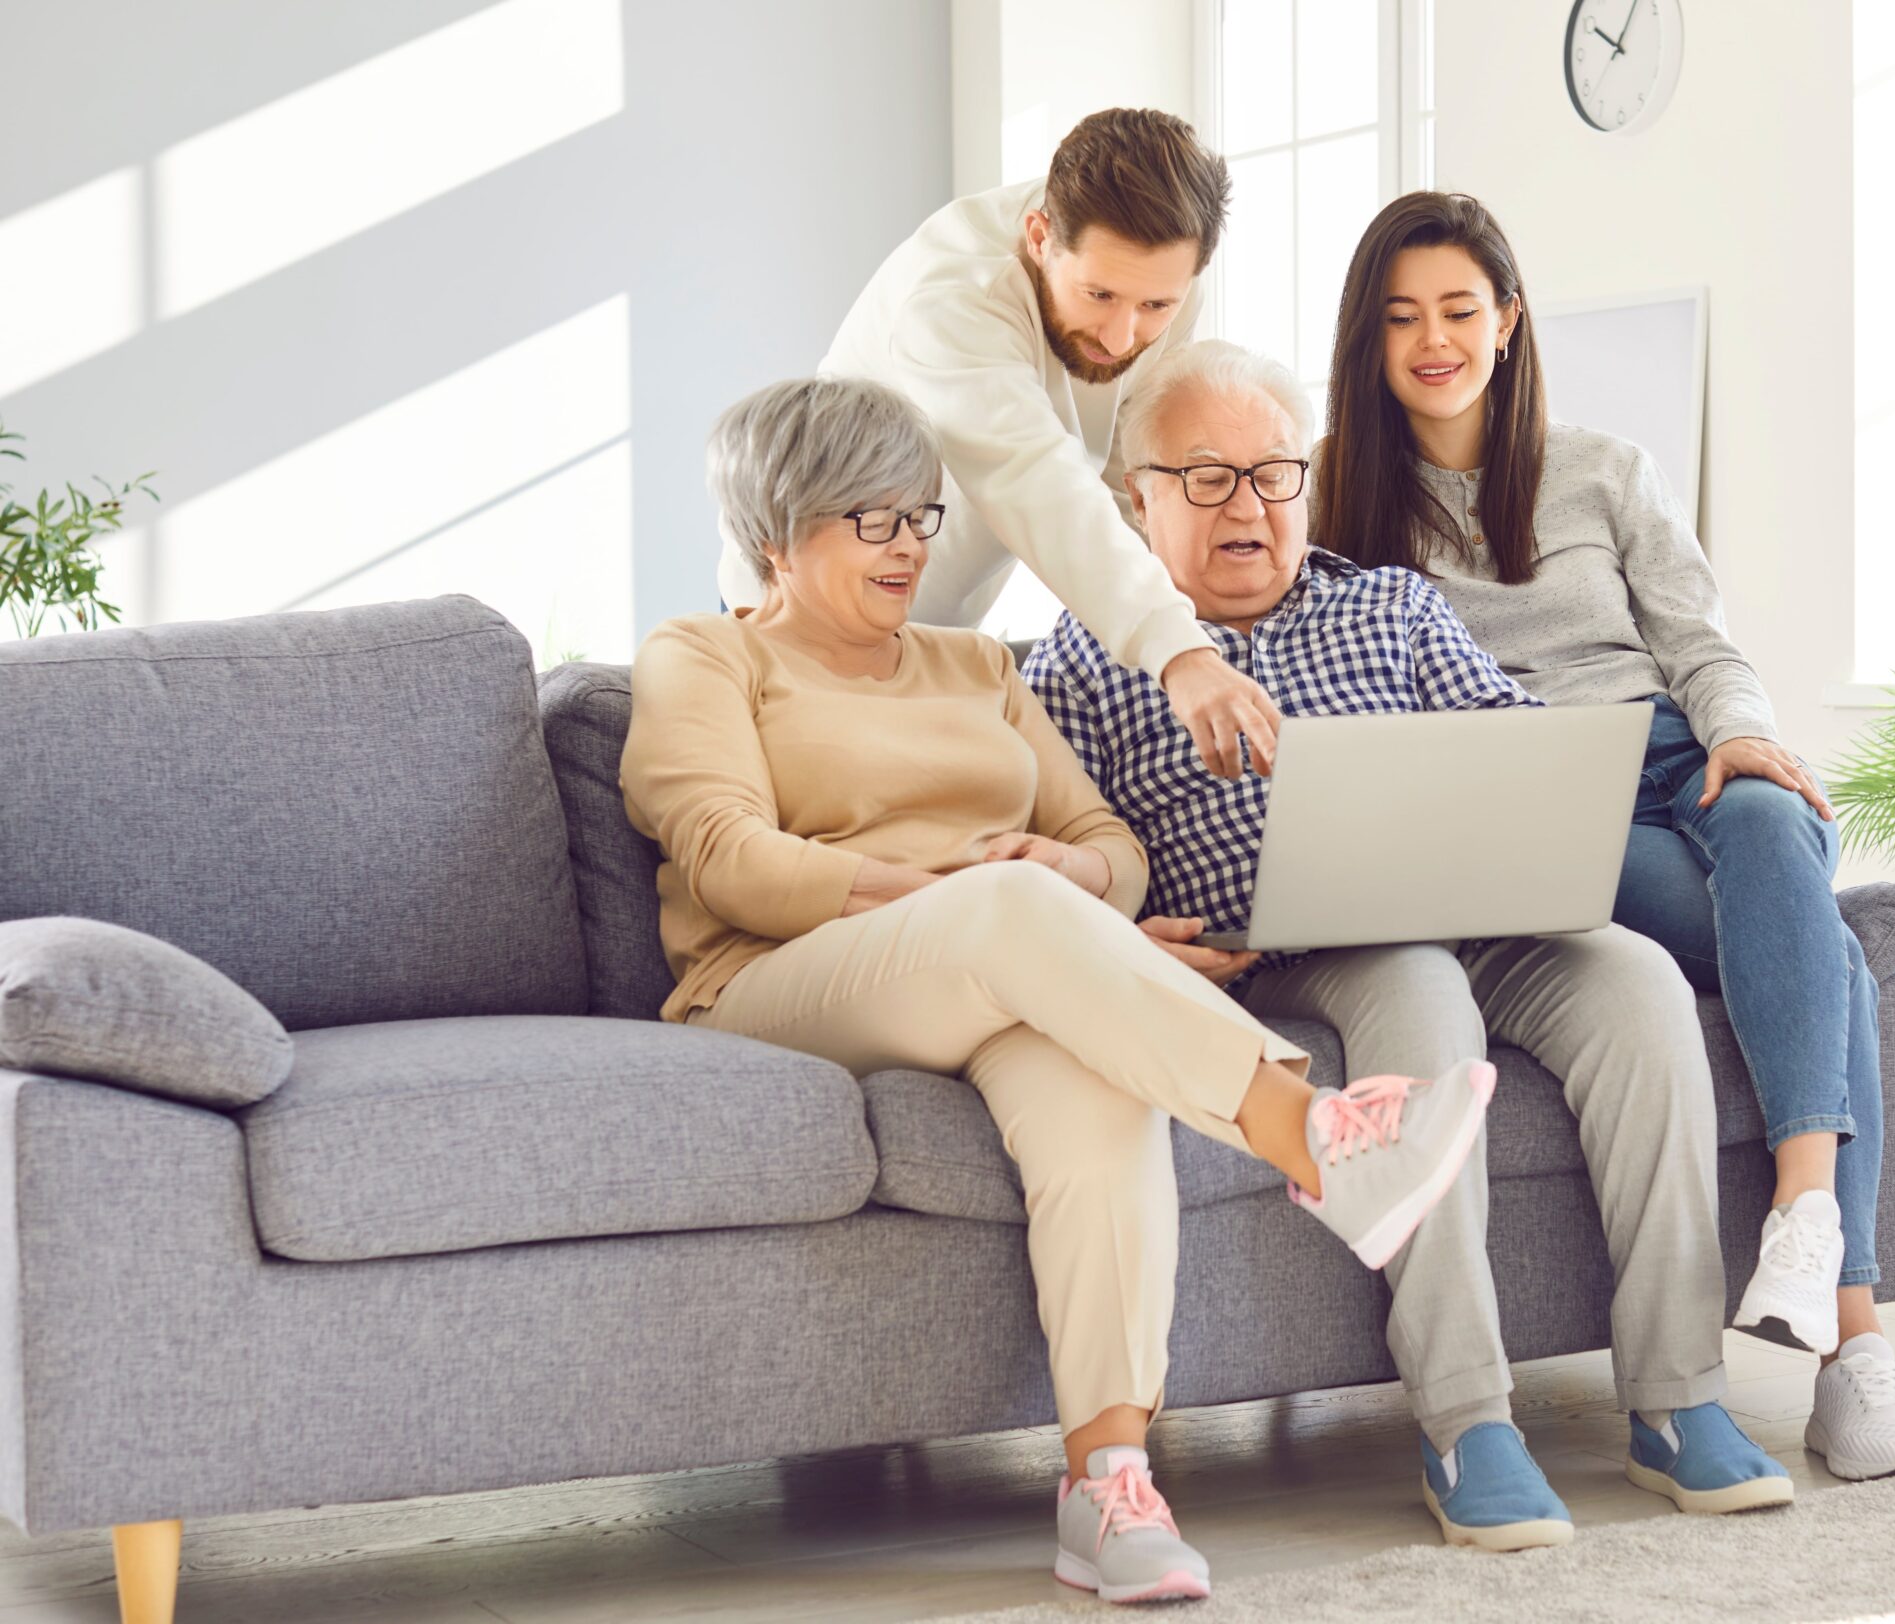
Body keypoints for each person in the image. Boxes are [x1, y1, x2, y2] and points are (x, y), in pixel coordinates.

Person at [627, 377, 1493, 1604]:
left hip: (994, 965)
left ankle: (1109, 1485)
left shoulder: (975, 663)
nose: (910, 545)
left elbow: (1109, 848)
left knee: (1103, 1098)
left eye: (919, 514)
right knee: (1012, 909)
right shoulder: (702, 654)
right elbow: (728, 857)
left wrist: (1071, 866)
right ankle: (1317, 1136)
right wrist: (960, 887)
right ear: (778, 528)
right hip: (782, 979)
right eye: (867, 519)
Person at [1026, 340, 1797, 1551]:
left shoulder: (1389, 603)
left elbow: (1523, 747)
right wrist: (1126, 938)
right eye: (1209, 478)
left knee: (1641, 983)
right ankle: (1465, 1420)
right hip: (1286, 952)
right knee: (1418, 992)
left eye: (1274, 475)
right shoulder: (1084, 656)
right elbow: (1053, 855)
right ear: (1139, 497)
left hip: (1484, 908)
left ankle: (1676, 1396)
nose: (1250, 508)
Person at [1313, 192, 1895, 1483]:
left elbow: (1699, 643)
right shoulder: (1336, 496)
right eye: (1401, 318)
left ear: (1508, 320)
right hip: (1546, 800)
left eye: (1459, 309)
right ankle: (1855, 1350)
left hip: (1671, 750)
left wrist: (1742, 732)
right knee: (1823, 957)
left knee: (1775, 814)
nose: (1434, 339)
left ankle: (1809, 1221)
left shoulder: (1604, 470)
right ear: (1367, 341)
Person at [713, 107, 1284, 782]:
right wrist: (1179, 653)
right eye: (1098, 294)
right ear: (1039, 237)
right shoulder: (954, 300)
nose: (1121, 336)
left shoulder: (1157, 280)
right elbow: (1038, 478)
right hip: (800, 628)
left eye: (1156, 306)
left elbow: (1125, 475)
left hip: (937, 640)